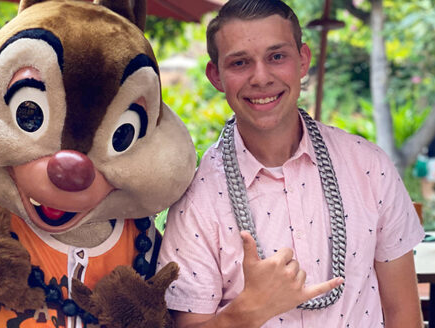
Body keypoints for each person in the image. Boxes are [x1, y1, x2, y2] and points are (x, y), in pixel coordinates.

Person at [157, 0, 425, 327]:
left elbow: (403, 314)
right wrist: (248, 310)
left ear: (303, 60)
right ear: (215, 76)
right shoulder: (197, 200)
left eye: (277, 57)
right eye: (240, 62)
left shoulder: (370, 167)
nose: (261, 77)